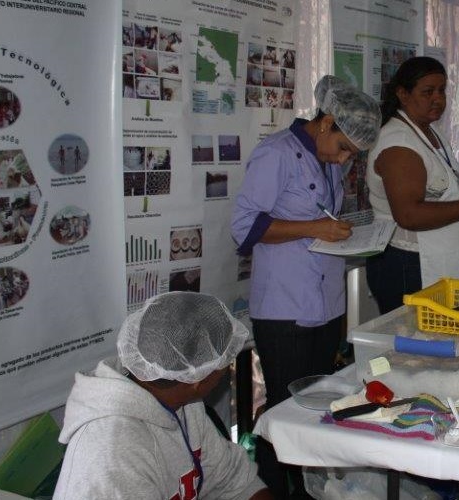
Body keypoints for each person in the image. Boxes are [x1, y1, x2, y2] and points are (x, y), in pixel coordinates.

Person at [231, 75, 381, 498]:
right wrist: (313, 227)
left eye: (352, 153)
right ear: (326, 121)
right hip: (284, 308)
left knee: (318, 404)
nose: (344, 159)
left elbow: (327, 217)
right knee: (283, 409)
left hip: (328, 302)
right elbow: (244, 229)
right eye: (344, 147)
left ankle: (312, 490)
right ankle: (271, 490)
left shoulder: (330, 156)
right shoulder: (276, 153)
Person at [53, 292, 272, 499]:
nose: (228, 365)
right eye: (226, 359)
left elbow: (233, 479)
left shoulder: (185, 403)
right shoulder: (112, 455)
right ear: (198, 380)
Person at [365, 56, 459, 313]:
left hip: (436, 258)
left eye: (442, 90)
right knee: (415, 346)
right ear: (403, 94)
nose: (438, 99)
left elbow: (441, 192)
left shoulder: (428, 130)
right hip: (409, 263)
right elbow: (409, 215)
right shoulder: (398, 144)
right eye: (428, 92)